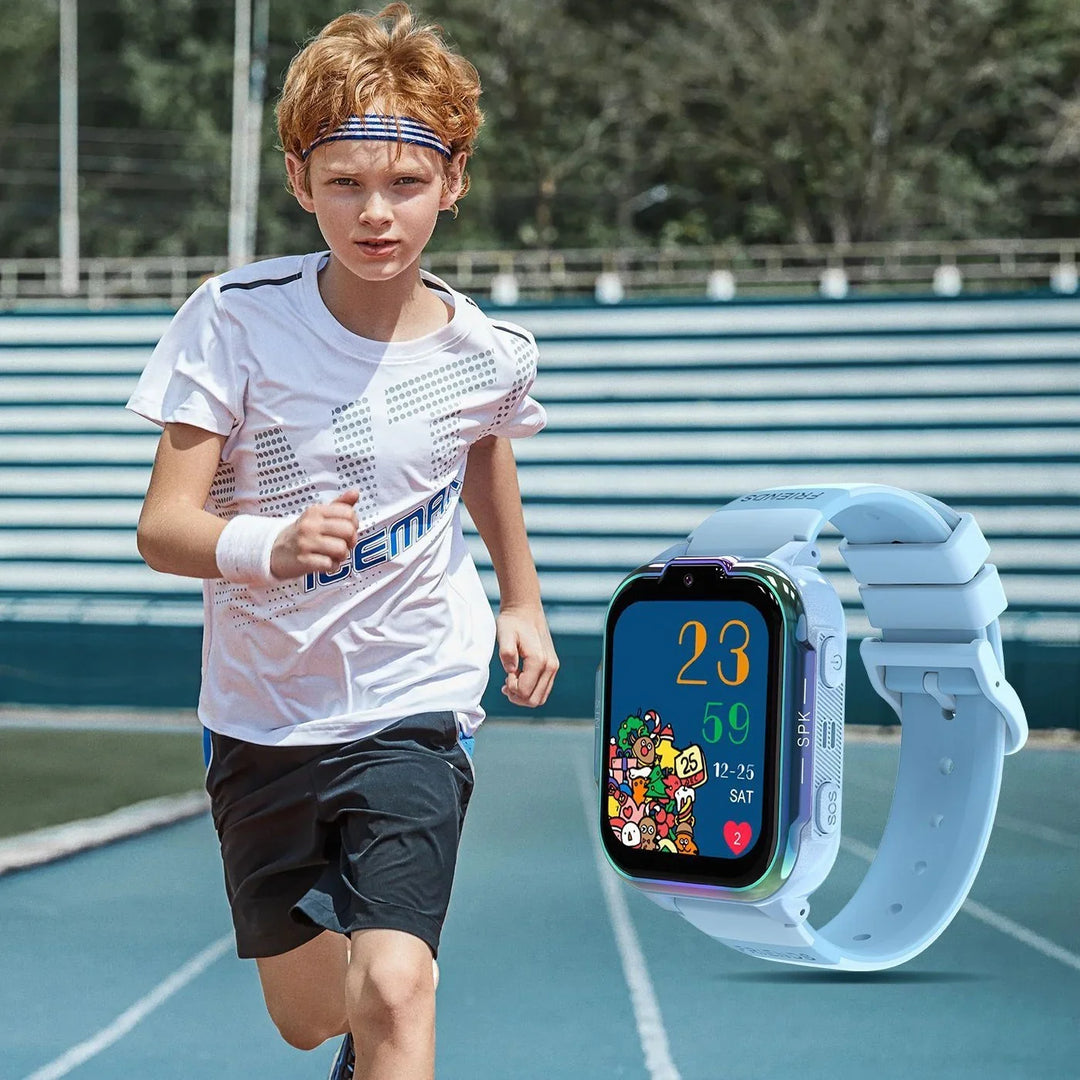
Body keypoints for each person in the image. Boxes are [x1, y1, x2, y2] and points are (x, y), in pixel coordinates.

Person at [126, 5, 559, 1078]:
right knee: (315, 1015)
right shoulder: (233, 320)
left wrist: (521, 599)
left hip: (415, 695)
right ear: (297, 178)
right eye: (346, 185)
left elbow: (483, 456)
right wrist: (268, 544)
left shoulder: (489, 352)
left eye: (406, 185)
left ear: (452, 180)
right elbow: (163, 528)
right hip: (262, 716)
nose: (376, 214)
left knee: (400, 985)